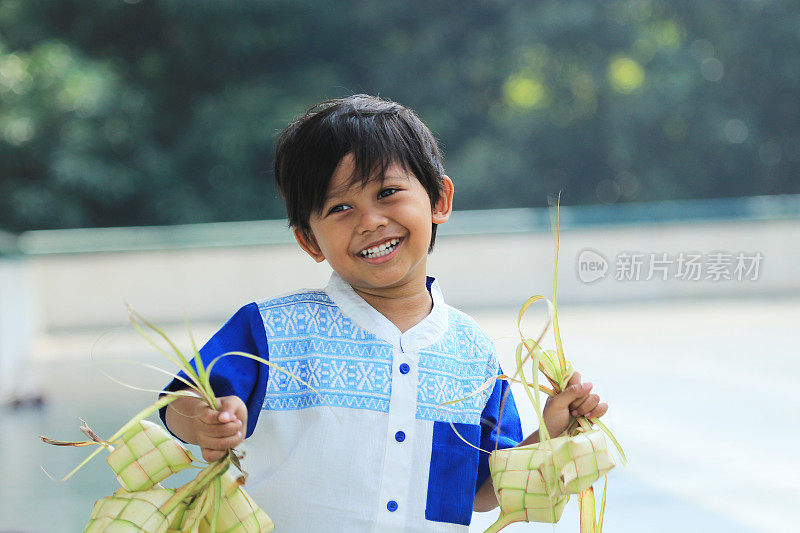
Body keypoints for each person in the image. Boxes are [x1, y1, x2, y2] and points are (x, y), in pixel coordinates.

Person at [160, 95, 608, 532]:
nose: (370, 220)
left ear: (439, 201)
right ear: (310, 241)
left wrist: (550, 434)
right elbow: (175, 405)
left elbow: (480, 489)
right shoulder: (270, 330)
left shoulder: (471, 353)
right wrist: (202, 417)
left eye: (388, 192)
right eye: (340, 208)